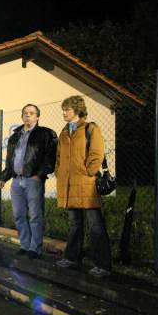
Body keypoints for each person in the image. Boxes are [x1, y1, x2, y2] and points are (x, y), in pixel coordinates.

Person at [55, 96, 111, 278]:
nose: (64, 112)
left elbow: (97, 152)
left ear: (77, 110)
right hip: (69, 186)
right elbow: (59, 157)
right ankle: (72, 258)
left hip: (87, 185)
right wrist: (59, 171)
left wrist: (90, 170)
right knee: (74, 224)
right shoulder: (64, 132)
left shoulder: (90, 128)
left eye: (67, 109)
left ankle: (102, 265)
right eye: (63, 109)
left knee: (95, 226)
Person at [0, 104, 58, 260]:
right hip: (17, 181)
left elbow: (50, 157)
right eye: (25, 113)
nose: (28, 115)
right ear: (22, 116)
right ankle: (25, 245)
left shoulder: (46, 134)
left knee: (35, 215)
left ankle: (35, 248)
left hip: (33, 180)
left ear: (37, 117)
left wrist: (39, 175)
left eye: (31, 113)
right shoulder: (15, 136)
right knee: (18, 215)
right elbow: (10, 160)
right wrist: (4, 177)